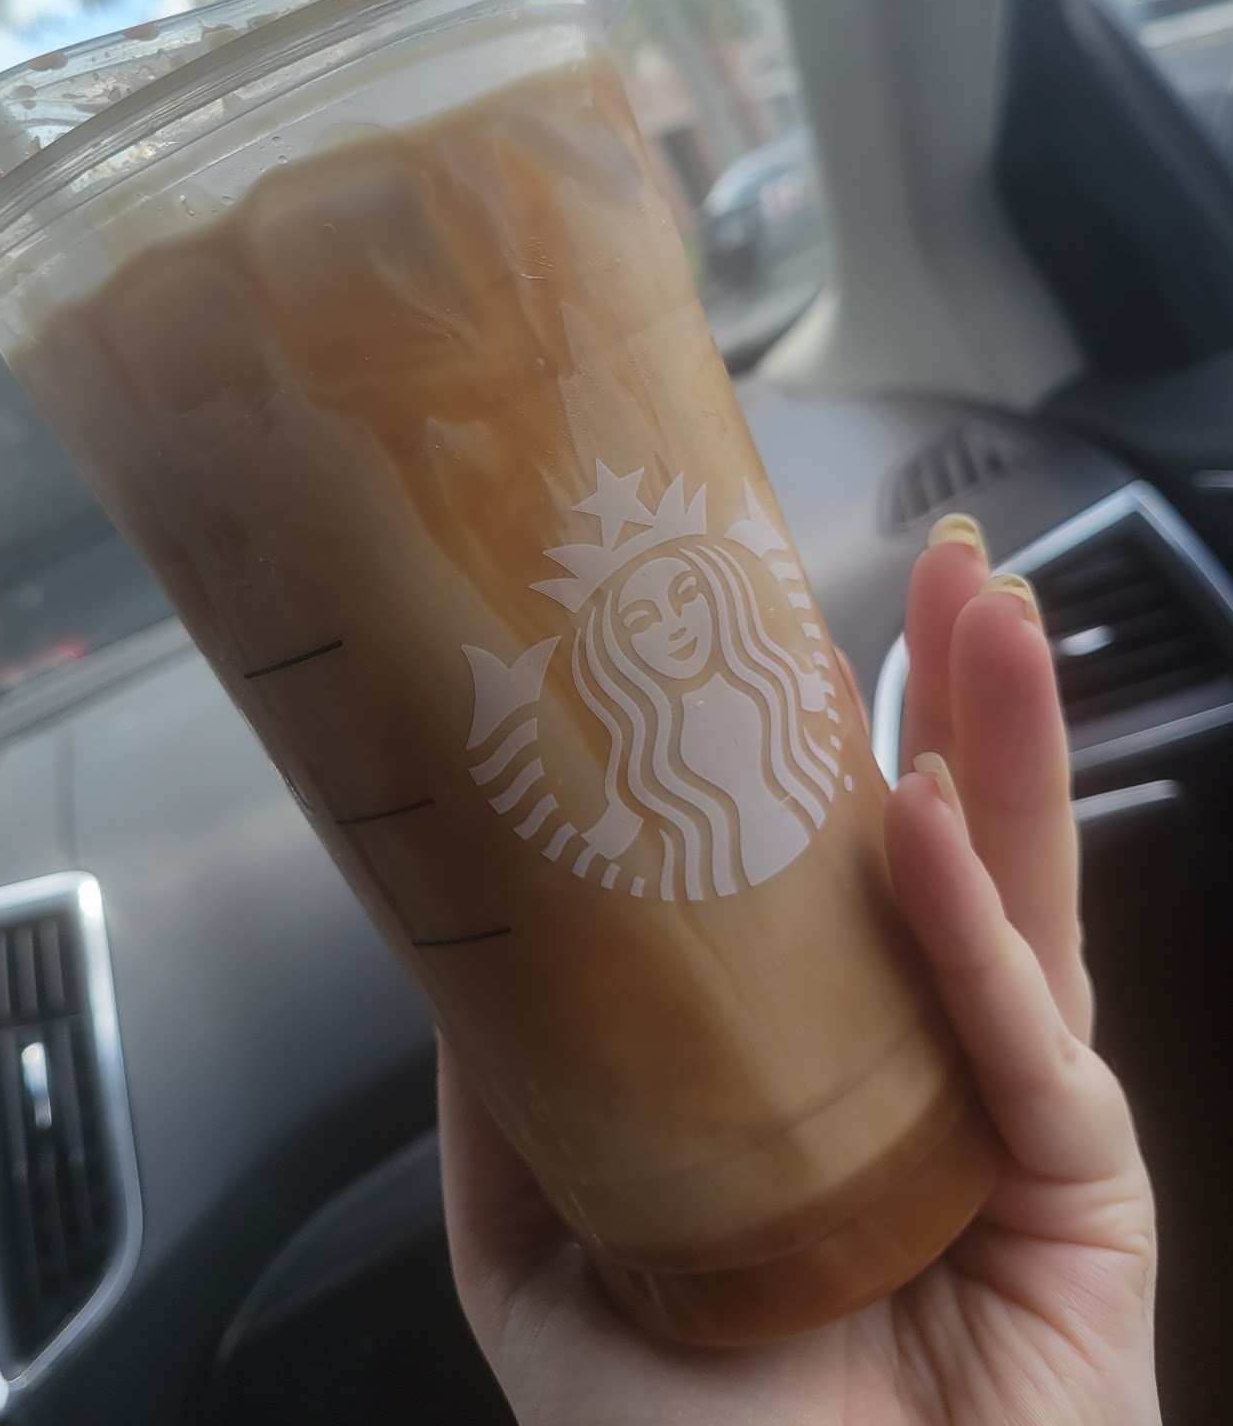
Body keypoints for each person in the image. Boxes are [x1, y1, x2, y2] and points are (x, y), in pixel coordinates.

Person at [439, 517, 1161, 1424]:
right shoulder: (637, 783)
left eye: (686, 593)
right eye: (643, 619)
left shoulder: (761, 717)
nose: (673, 626)